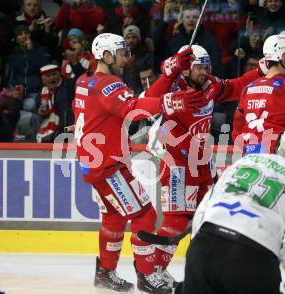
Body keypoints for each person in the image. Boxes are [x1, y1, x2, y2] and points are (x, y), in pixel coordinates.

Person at [73, 33, 200, 293]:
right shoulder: (108, 85)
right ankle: (146, 276)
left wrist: (170, 73)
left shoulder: (85, 81)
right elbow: (136, 108)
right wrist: (172, 101)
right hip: (109, 167)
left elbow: (139, 100)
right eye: (121, 53)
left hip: (95, 165)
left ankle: (105, 273)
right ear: (106, 56)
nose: (125, 58)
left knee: (114, 218)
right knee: (145, 214)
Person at [143, 44, 267, 289]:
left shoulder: (210, 85)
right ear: (186, 68)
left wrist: (263, 68)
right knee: (177, 219)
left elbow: (235, 86)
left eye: (207, 66)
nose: (204, 72)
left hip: (202, 163)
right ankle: (152, 272)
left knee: (206, 216)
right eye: (199, 67)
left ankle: (187, 269)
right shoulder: (174, 87)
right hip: (176, 163)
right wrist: (168, 72)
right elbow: (146, 102)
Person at [181, 122, 285, 294]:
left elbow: (205, 208)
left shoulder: (245, 162)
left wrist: (196, 263)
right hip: (251, 258)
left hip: (204, 247)